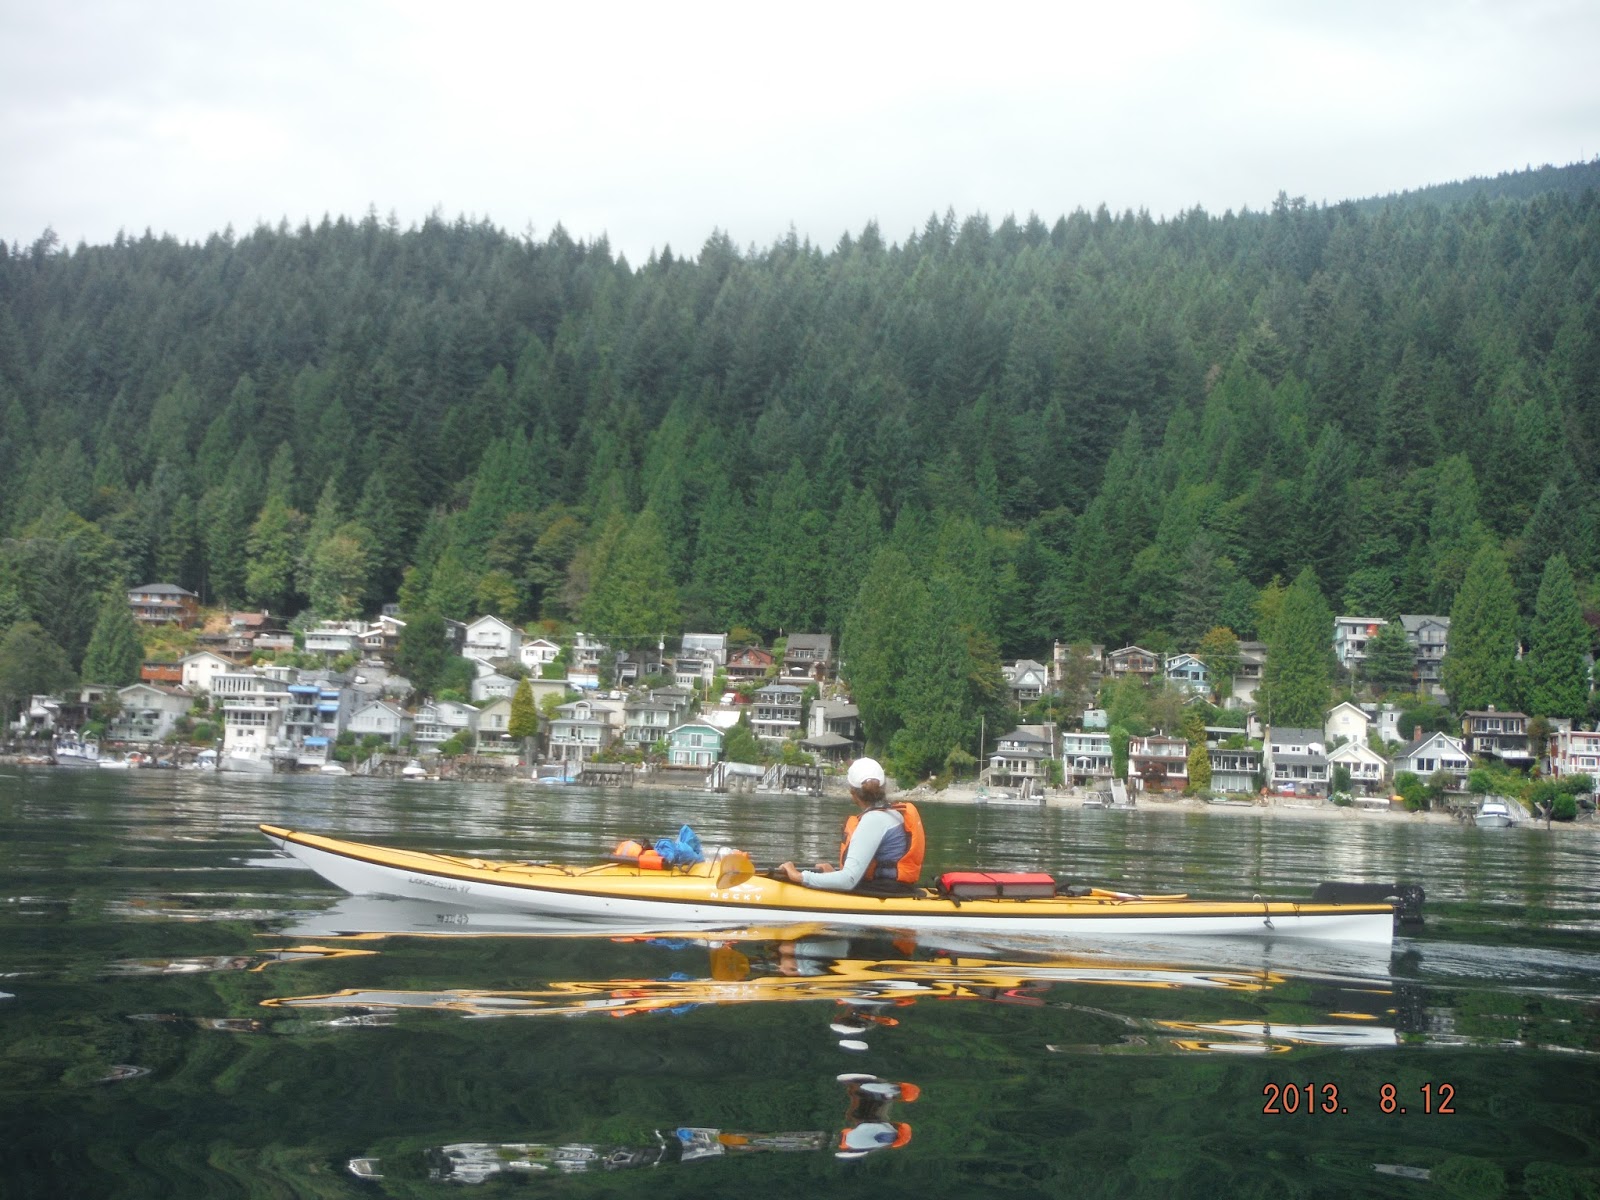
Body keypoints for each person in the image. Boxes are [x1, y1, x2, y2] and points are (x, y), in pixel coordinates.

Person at [776, 757, 924, 891]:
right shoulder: (894, 814)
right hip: (893, 888)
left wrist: (799, 876)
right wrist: (833, 876)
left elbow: (848, 880)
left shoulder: (873, 820)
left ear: (853, 792)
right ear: (883, 787)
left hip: (885, 891)